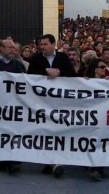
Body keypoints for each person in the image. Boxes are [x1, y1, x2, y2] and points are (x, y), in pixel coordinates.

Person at [27, 34, 76, 178]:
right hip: (41, 101)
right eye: (40, 44)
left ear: (53, 44)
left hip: (59, 102)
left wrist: (59, 72)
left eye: (45, 44)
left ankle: (54, 161)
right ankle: (49, 161)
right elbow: (30, 75)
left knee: (57, 130)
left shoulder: (63, 58)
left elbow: (72, 75)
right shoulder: (36, 58)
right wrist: (45, 72)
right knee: (44, 130)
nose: (42, 47)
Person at [0, 39, 26, 174]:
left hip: (13, 105)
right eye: (9, 48)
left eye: (13, 48)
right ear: (1, 49)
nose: (12, 50)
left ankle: (12, 160)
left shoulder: (19, 65)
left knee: (12, 133)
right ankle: (2, 160)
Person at [85, 58, 109, 181]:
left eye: (105, 67)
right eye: (102, 67)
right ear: (95, 69)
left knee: (101, 142)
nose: (105, 69)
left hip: (104, 119)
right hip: (90, 119)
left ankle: (98, 169)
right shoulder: (86, 82)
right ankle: (94, 167)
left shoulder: (108, 82)